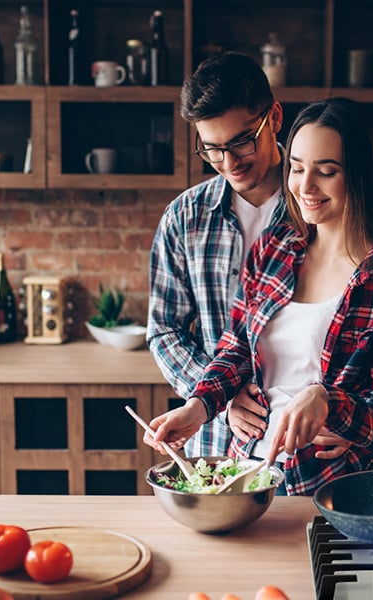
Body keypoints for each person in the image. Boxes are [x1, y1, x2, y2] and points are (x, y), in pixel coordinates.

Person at [145, 98, 373, 496]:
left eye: (326, 171)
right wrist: (199, 407)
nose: (305, 187)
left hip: (328, 488)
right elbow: (236, 349)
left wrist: (328, 401)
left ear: (361, 176)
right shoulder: (273, 250)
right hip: (241, 476)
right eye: (296, 168)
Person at [147, 51, 287, 458]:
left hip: (303, 446)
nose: (228, 163)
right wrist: (218, 399)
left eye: (242, 141)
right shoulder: (184, 217)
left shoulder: (317, 208)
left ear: (274, 118)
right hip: (215, 443)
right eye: (211, 149)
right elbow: (163, 329)